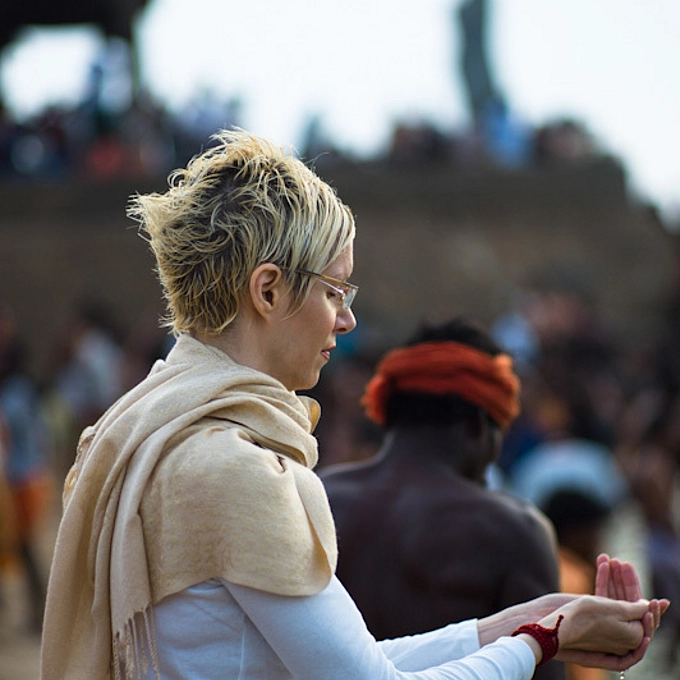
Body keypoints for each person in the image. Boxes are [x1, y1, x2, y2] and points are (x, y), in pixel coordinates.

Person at [41, 129, 667, 680]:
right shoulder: (230, 467)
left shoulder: (144, 432)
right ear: (268, 290)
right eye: (335, 290)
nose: (347, 319)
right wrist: (544, 641)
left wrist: (524, 623)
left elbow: (347, 662)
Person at [320, 317, 565, 680]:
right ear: (480, 425)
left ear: (389, 410)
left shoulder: (317, 497)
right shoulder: (514, 530)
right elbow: (542, 668)